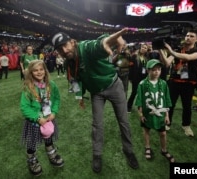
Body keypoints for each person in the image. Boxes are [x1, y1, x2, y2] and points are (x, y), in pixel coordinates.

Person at [52, 28, 139, 173]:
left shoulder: (85, 47)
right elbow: (75, 81)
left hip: (113, 85)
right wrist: (79, 97)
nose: (64, 50)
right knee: (97, 125)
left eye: (65, 45)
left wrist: (107, 42)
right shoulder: (68, 64)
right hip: (96, 93)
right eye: (60, 49)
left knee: (123, 121)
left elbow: (99, 43)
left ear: (73, 42)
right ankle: (97, 155)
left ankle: (129, 151)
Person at [20, 60, 64, 176]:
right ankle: (32, 161)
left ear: (45, 70)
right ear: (30, 72)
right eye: (35, 70)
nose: (39, 72)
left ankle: (52, 155)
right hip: (34, 121)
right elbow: (24, 107)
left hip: (48, 117)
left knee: (49, 139)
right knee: (32, 143)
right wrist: (37, 118)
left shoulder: (51, 84)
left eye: (41, 69)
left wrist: (54, 112)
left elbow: (57, 99)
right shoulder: (28, 87)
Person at [158, 30, 197, 136]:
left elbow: (187, 58)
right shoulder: (179, 49)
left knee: (187, 106)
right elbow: (167, 63)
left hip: (189, 82)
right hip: (175, 81)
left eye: (191, 36)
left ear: (196, 39)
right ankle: (167, 122)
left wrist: (170, 50)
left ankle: (186, 126)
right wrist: (160, 49)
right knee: (170, 104)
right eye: (187, 35)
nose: (188, 37)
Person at [135, 59, 174, 163]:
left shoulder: (164, 83)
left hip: (160, 114)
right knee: (146, 130)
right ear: (148, 70)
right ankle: (147, 147)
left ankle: (164, 150)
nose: (157, 72)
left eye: (159, 69)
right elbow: (139, 100)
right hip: (148, 114)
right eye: (154, 70)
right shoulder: (142, 84)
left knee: (163, 133)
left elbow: (166, 100)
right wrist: (141, 114)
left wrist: (167, 116)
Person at [127, 43, 149, 112]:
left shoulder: (146, 58)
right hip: (135, 78)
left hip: (143, 77)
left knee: (143, 93)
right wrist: (130, 78)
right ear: (140, 48)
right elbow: (130, 67)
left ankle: (141, 107)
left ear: (147, 50)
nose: (143, 49)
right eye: (142, 47)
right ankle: (128, 106)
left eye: (145, 48)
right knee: (134, 92)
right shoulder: (134, 56)